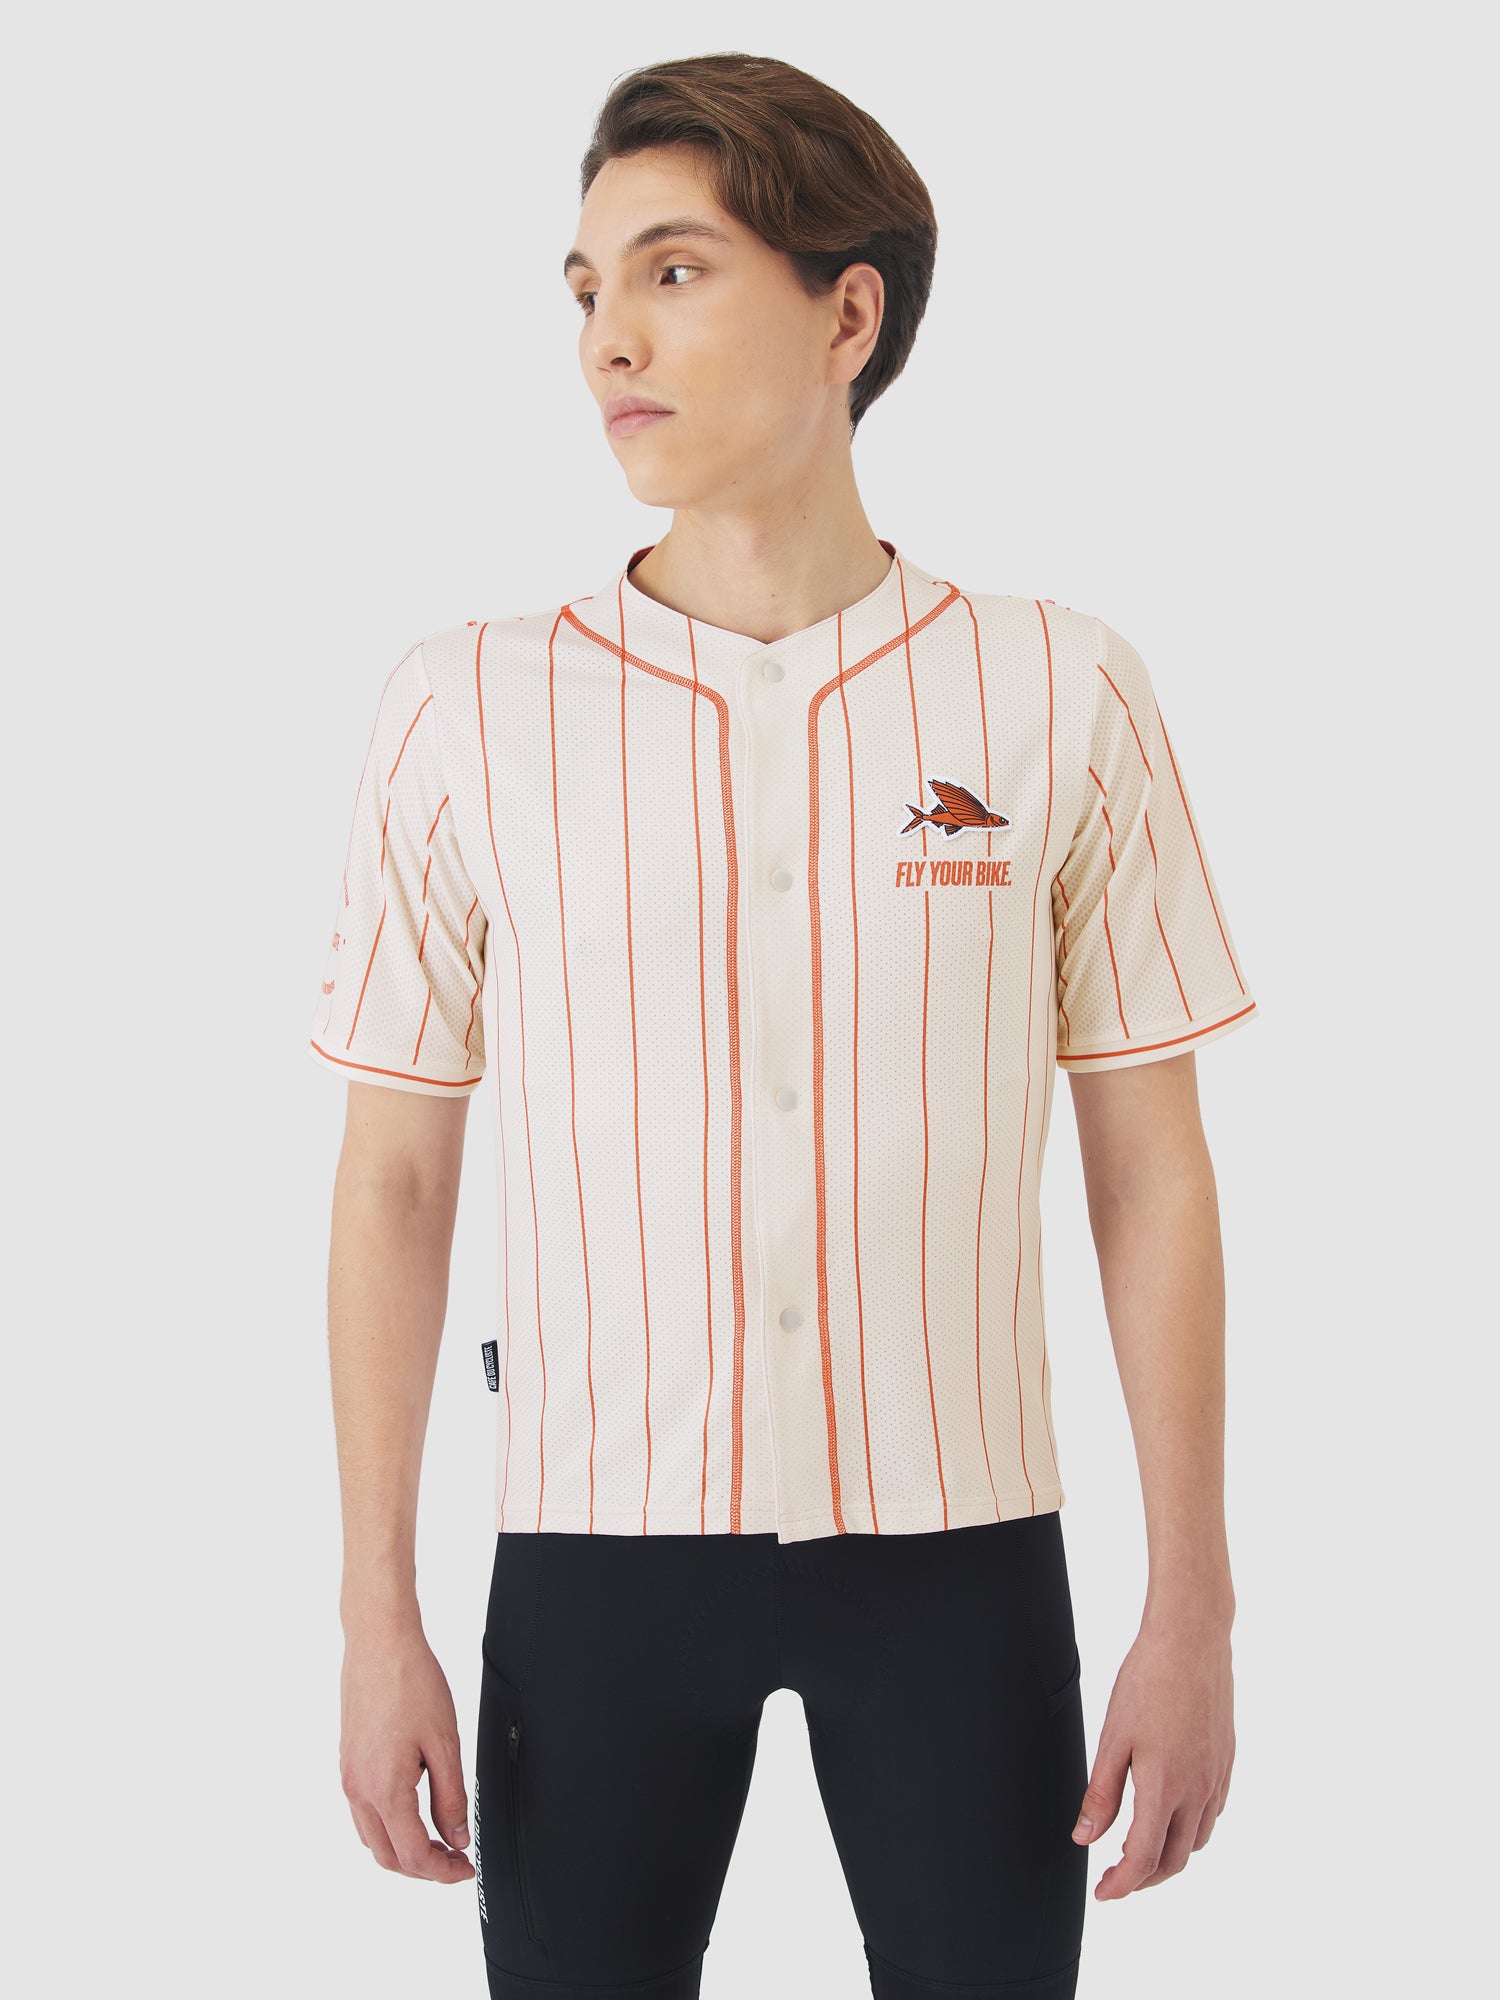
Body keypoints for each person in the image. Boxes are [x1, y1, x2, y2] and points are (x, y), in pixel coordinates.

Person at [308, 51, 1258, 2000]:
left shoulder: (1055, 691)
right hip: (592, 1561)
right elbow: (395, 1179)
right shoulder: (468, 707)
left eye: (673, 272)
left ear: (848, 313)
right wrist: (373, 1608)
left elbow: (1151, 1170)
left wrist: (1195, 1603)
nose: (608, 340)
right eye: (586, 289)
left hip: (962, 1559)